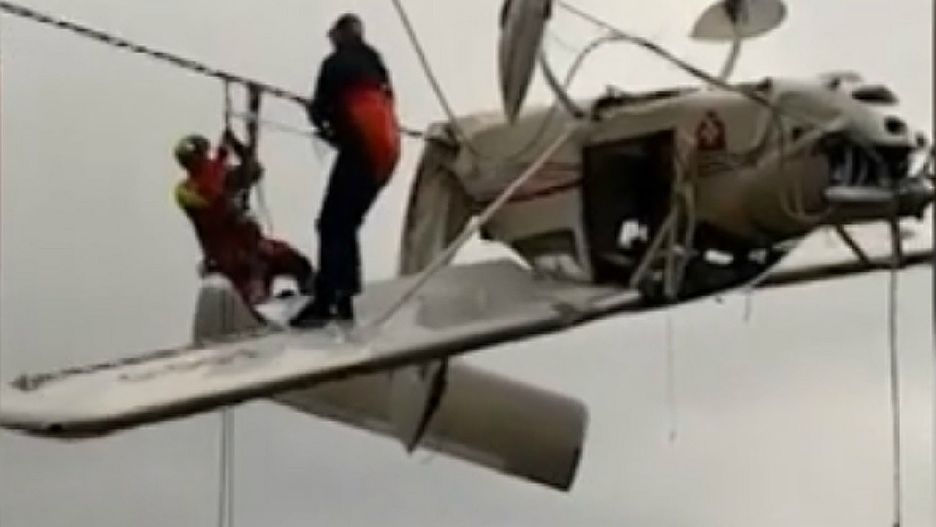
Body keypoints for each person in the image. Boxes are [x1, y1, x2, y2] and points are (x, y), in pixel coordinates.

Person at [291, 13, 401, 327]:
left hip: (361, 149)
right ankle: (346, 297)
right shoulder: (375, 61)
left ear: (340, 36)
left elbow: (321, 110)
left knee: (331, 223)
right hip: (387, 151)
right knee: (346, 223)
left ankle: (327, 301)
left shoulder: (334, 64)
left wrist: (317, 117)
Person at [174, 125, 314, 306]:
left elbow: (254, 170)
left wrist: (237, 145)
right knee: (253, 298)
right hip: (230, 259)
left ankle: (314, 298)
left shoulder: (222, 173)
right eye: (200, 156)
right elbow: (212, 197)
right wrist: (222, 157)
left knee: (296, 263)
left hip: (256, 248)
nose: (205, 159)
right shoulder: (186, 190)